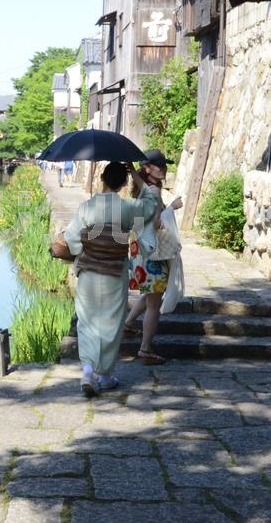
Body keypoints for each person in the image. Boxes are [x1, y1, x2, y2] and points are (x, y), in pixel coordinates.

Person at [64, 162, 160, 397]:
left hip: (88, 272)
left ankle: (87, 371)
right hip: (114, 273)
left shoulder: (87, 207)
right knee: (111, 323)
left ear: (103, 179)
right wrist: (137, 175)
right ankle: (104, 375)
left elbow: (72, 240)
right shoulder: (128, 208)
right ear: (123, 183)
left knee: (86, 322)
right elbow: (151, 203)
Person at [124, 150, 183, 365]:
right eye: (158, 165)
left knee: (151, 293)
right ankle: (146, 349)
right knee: (154, 305)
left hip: (140, 252)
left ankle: (129, 324)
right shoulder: (154, 192)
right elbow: (157, 223)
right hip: (153, 255)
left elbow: (139, 181)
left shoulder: (143, 189)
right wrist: (172, 208)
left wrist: (131, 169)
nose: (163, 168)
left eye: (164, 165)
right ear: (147, 168)